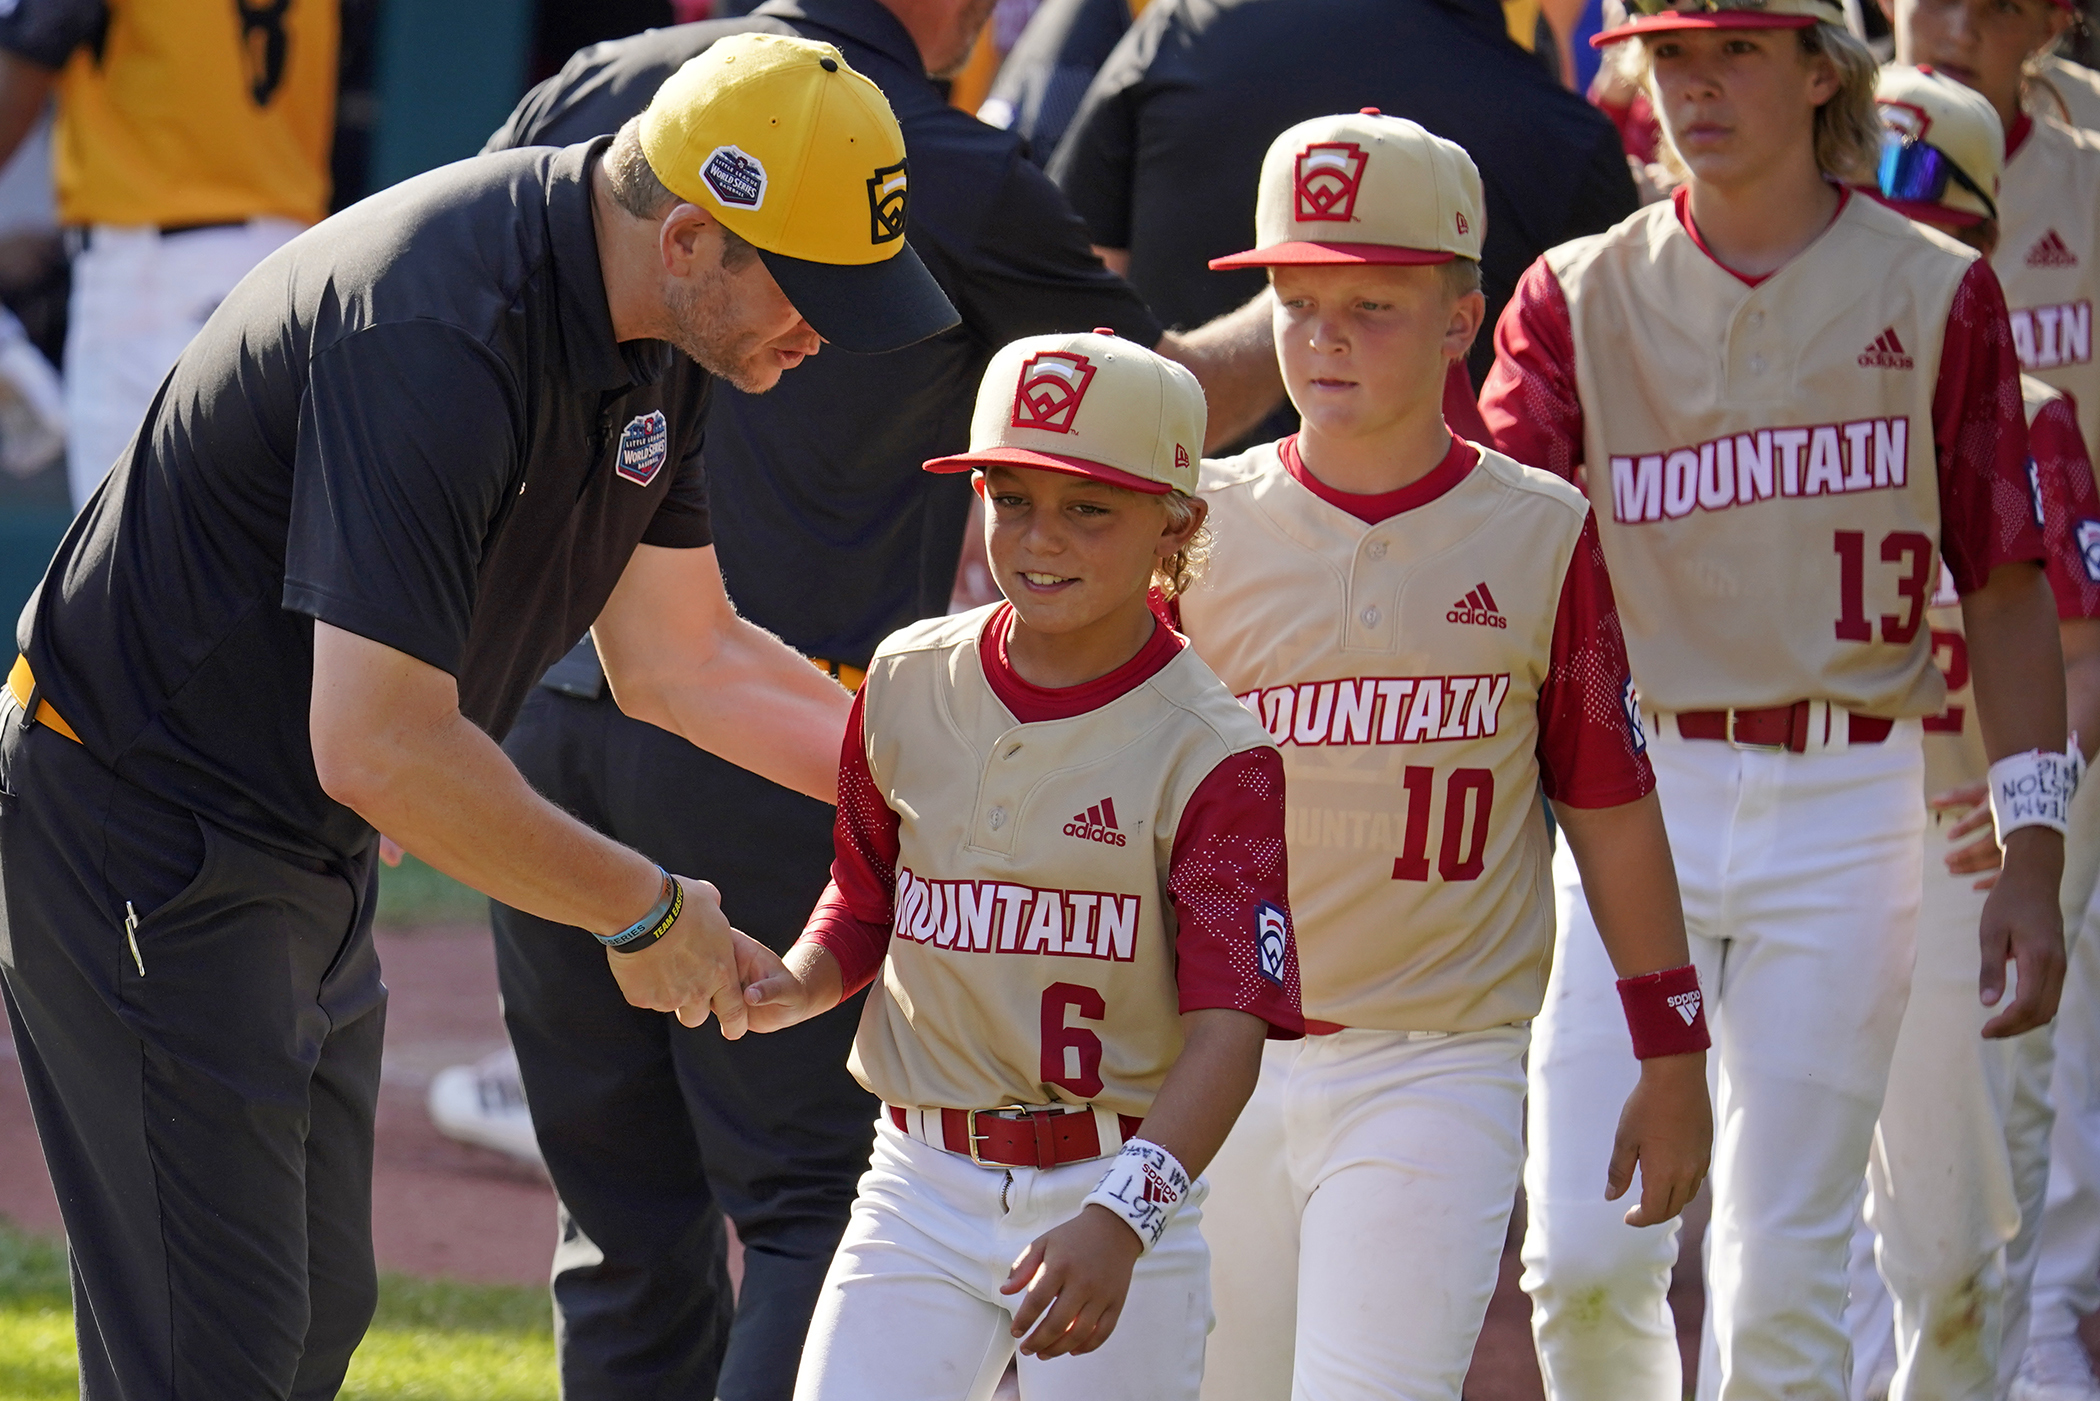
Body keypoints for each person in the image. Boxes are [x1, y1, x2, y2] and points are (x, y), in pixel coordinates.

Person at [0, 35, 956, 1399]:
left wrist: (944, 788)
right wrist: (639, 904)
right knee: (218, 1355)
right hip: (140, 824)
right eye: (812, 292)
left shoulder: (658, 326)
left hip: (292, 835)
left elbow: (686, 660)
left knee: (313, 1312)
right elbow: (381, 742)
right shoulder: (441, 323)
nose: (824, 336)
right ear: (691, 237)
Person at [460, 4, 1290, 1398]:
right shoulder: (944, 165)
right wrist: (1311, 311)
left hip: (553, 716)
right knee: (801, 1202)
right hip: (777, 722)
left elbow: (494, 319)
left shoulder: (610, 84)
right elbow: (1147, 407)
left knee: (618, 1218)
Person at [1479, 3, 2073, 1397]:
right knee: (1583, 1258)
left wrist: (2035, 849)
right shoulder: (1573, 294)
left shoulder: (1936, 288)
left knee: (1783, 1263)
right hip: (1636, 805)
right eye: (1671, 52)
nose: (1696, 82)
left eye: (1737, 47)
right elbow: (1497, 565)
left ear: (1824, 69)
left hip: (1852, 792)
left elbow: (2003, 585)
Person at [1169, 110, 1712, 1401]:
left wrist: (1673, 1050)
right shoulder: (1193, 526)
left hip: (1437, 1057)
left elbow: (1613, 808)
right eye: (1299, 302)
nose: (1327, 336)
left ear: (1466, 316)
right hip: (1213, 1054)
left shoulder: (1540, 532)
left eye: (1376, 303)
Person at [740, 329, 1305, 1400]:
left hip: (1115, 1177)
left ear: (1173, 523)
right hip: (917, 1179)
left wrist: (1125, 1218)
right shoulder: (906, 677)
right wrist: (794, 983)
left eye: (1088, 506)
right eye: (1012, 498)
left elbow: (1229, 1031)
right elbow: (866, 898)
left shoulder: (1215, 750)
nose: (1040, 538)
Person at [1837, 64, 2100, 1401]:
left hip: (1970, 854)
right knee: (1807, 1226)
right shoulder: (1782, 404)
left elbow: (2077, 654)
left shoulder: (2038, 422)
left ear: (1986, 254)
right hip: (1815, 850)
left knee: (1959, 1228)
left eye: (1937, 237)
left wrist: (2020, 819)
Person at [1046, 0, 1641, 406]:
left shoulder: (1184, 29)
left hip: (1179, 545)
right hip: (1461, 556)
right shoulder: (1562, 127)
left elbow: (1069, 318)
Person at [0, 0, 339, 510]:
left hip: (155, 279)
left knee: (127, 571)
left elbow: (25, 62)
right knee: (248, 555)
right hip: (296, 272)